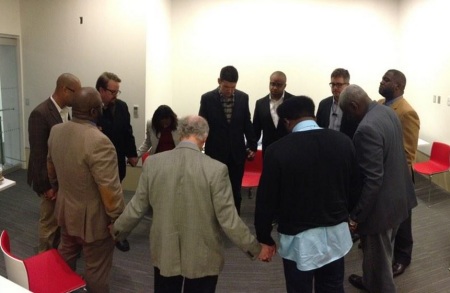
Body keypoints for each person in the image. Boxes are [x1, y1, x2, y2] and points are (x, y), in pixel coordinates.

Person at [111, 115, 269, 293]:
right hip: (203, 255)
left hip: (165, 251)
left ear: (179, 134)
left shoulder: (152, 164)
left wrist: (116, 231)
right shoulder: (217, 169)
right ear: (205, 138)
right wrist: (255, 249)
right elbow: (229, 220)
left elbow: (136, 207)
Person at [254, 96, 361, 293]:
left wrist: (264, 237)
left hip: (298, 241)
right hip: (336, 234)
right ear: (312, 114)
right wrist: (349, 216)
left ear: (287, 121)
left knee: (299, 289)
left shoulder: (277, 151)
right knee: (333, 287)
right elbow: (356, 187)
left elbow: (266, 201)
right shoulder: (343, 142)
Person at [47, 87, 125, 293]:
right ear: (93, 112)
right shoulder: (99, 141)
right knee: (96, 270)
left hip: (65, 211)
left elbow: (51, 168)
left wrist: (57, 188)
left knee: (65, 256)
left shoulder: (56, 131)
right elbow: (109, 190)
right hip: (94, 222)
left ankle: (62, 289)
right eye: (99, 106)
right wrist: (118, 220)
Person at [339, 84, 416, 293]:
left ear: (354, 105)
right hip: (399, 199)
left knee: (380, 263)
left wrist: (356, 216)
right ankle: (370, 280)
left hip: (379, 211)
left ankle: (378, 285)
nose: (347, 117)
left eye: (346, 112)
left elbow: (372, 180)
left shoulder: (366, 129)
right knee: (381, 257)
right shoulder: (387, 111)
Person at [27, 73, 81, 253]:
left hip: (62, 179)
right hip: (49, 182)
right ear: (65, 90)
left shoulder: (67, 111)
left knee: (60, 223)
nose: (79, 96)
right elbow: (38, 154)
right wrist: (47, 187)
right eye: (76, 92)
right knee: (49, 224)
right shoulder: (40, 114)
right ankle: (44, 261)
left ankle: (55, 257)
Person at [199, 65, 257, 214]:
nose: (229, 91)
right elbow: (202, 125)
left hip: (237, 154)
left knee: (235, 190)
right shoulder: (207, 99)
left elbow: (247, 123)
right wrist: (198, 146)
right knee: (215, 189)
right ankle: (215, 218)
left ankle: (234, 218)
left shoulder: (243, 98)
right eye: (226, 87)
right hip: (215, 153)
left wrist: (252, 146)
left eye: (233, 87)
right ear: (219, 81)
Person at [379, 69, 420, 277]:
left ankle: (403, 257)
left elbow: (408, 153)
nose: (381, 81)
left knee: (403, 218)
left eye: (386, 79)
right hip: (380, 172)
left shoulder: (406, 112)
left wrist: (393, 177)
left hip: (399, 176)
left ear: (398, 86)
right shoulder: (379, 104)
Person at [96, 72, 138, 182]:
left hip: (118, 162)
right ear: (101, 90)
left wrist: (132, 154)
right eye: (112, 92)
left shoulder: (122, 106)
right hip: (99, 163)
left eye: (117, 92)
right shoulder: (91, 108)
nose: (115, 95)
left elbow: (127, 131)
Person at [253, 71, 294, 156]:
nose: (274, 87)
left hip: (289, 149)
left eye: (279, 85)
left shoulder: (293, 101)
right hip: (268, 151)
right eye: (272, 84)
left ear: (285, 86)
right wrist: (251, 147)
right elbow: (256, 130)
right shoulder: (260, 103)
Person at [316, 68, 358, 138]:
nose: (335, 88)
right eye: (332, 84)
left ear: (347, 85)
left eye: (339, 84)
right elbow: (318, 128)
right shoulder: (323, 104)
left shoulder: (353, 106)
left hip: (344, 146)